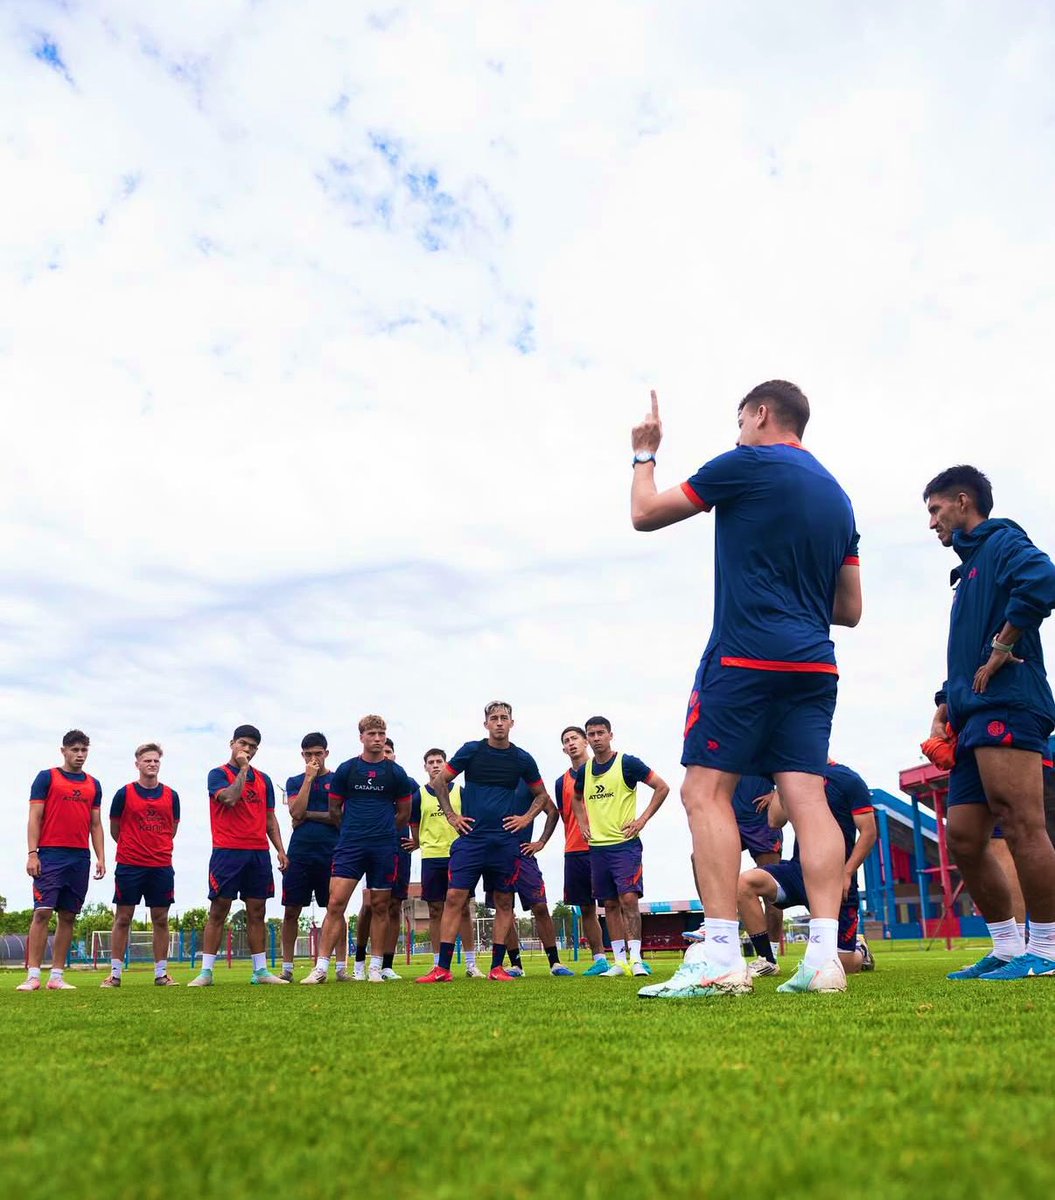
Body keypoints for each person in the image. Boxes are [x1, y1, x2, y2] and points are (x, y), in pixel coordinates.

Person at [629, 382, 863, 1000]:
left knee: (704, 790)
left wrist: (644, 454)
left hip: (743, 656)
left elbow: (645, 514)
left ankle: (721, 953)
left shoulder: (744, 464)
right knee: (809, 799)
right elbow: (850, 608)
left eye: (739, 419)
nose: (736, 432)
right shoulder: (840, 499)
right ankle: (823, 960)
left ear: (761, 415)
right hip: (814, 664)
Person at [923, 465, 1055, 980]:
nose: (932, 522)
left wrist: (1004, 644)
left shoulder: (1002, 542)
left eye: (935, 510)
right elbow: (967, 650)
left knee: (1022, 822)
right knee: (963, 837)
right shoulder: (970, 568)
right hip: (973, 712)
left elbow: (1043, 579)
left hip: (1010, 702)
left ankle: (1044, 950)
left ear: (962, 502)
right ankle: (1005, 946)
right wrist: (944, 701)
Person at [416, 701, 552, 983]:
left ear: (512, 723)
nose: (499, 722)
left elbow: (541, 795)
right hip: (472, 838)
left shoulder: (522, 759)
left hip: (505, 842)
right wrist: (452, 816)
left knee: (504, 902)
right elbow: (440, 782)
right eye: (494, 718)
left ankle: (497, 967)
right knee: (454, 898)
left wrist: (526, 818)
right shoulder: (472, 750)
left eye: (504, 718)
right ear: (486, 723)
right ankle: (442, 968)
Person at [301, 715, 413, 984]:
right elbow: (334, 810)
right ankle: (321, 968)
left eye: (381, 734)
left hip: (384, 848)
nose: (377, 738)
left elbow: (403, 813)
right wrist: (354, 831)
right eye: (372, 733)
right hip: (350, 846)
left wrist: (382, 831)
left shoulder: (396, 774)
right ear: (361, 737)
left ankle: (375, 967)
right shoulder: (347, 769)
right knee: (336, 903)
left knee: (380, 906)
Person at [737, 761, 877, 976]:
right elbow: (775, 820)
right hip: (797, 872)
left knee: (844, 965)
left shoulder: (848, 779)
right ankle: (767, 960)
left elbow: (868, 832)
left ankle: (861, 950)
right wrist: (781, 783)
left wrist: (848, 872)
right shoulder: (792, 780)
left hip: (834, 879)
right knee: (743, 883)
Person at [188, 725, 289, 986]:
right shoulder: (217, 774)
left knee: (257, 911)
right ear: (232, 743)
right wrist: (243, 770)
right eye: (243, 743)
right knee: (219, 909)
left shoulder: (264, 779)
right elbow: (230, 799)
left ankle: (261, 972)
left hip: (258, 854)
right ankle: (206, 972)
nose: (247, 750)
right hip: (227, 851)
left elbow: (270, 818)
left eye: (253, 747)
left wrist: (280, 849)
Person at [571, 716, 669, 977]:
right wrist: (582, 823)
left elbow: (662, 787)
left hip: (625, 845)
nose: (595, 738)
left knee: (628, 899)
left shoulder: (627, 763)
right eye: (591, 734)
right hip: (598, 848)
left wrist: (642, 819)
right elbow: (576, 798)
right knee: (609, 904)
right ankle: (619, 962)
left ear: (610, 735)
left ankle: (636, 960)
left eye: (600, 733)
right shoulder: (585, 771)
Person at [17, 730, 105, 991]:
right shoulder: (47, 778)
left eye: (84, 750)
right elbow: (34, 817)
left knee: (68, 916)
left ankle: (56, 976)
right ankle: (33, 975)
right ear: (63, 751)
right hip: (51, 854)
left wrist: (101, 857)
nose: (80, 755)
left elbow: (96, 824)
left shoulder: (93, 784)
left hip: (80, 856)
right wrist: (32, 853)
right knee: (42, 912)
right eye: (75, 750)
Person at [102, 742, 180, 988]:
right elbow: (116, 829)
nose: (152, 764)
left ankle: (161, 973)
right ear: (137, 764)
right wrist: (132, 845)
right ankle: (115, 974)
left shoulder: (171, 795)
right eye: (147, 760)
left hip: (161, 865)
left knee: (161, 919)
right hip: (129, 865)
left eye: (156, 760)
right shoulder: (124, 793)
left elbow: (172, 829)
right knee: (123, 918)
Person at [685, 775, 783, 962]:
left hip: (760, 820)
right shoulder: (726, 750)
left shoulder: (763, 748)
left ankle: (770, 954)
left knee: (772, 889)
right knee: (699, 857)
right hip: (731, 821)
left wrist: (777, 795)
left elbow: (790, 775)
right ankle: (712, 923)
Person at [406, 748, 483, 977]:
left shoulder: (461, 791)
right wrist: (418, 842)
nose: (435, 765)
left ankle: (471, 964)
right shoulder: (419, 794)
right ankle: (439, 963)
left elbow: (472, 819)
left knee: (464, 910)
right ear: (425, 767)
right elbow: (414, 823)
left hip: (459, 855)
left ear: (446, 764)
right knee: (435, 910)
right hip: (432, 856)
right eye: (431, 762)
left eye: (439, 761)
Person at [486, 780, 574, 977]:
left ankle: (555, 963)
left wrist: (541, 842)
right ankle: (515, 964)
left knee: (540, 906)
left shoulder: (527, 783)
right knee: (504, 910)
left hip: (523, 854)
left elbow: (552, 811)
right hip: (495, 855)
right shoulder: (487, 782)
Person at [555, 725, 621, 975]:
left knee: (615, 902)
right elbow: (566, 815)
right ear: (563, 749)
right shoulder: (561, 781)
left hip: (605, 846)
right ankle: (599, 959)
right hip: (574, 849)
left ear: (586, 743)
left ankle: (625, 956)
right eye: (566, 740)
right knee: (586, 908)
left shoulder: (604, 770)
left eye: (575, 738)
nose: (571, 743)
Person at [279, 733, 345, 982]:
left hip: (332, 852)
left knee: (335, 909)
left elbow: (338, 817)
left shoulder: (338, 779)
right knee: (291, 910)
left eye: (318, 753)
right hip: (300, 853)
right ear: (302, 756)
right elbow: (295, 811)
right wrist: (308, 779)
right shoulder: (295, 780)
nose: (314, 758)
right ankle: (287, 968)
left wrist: (307, 816)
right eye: (308, 754)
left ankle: (340, 967)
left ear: (326, 753)